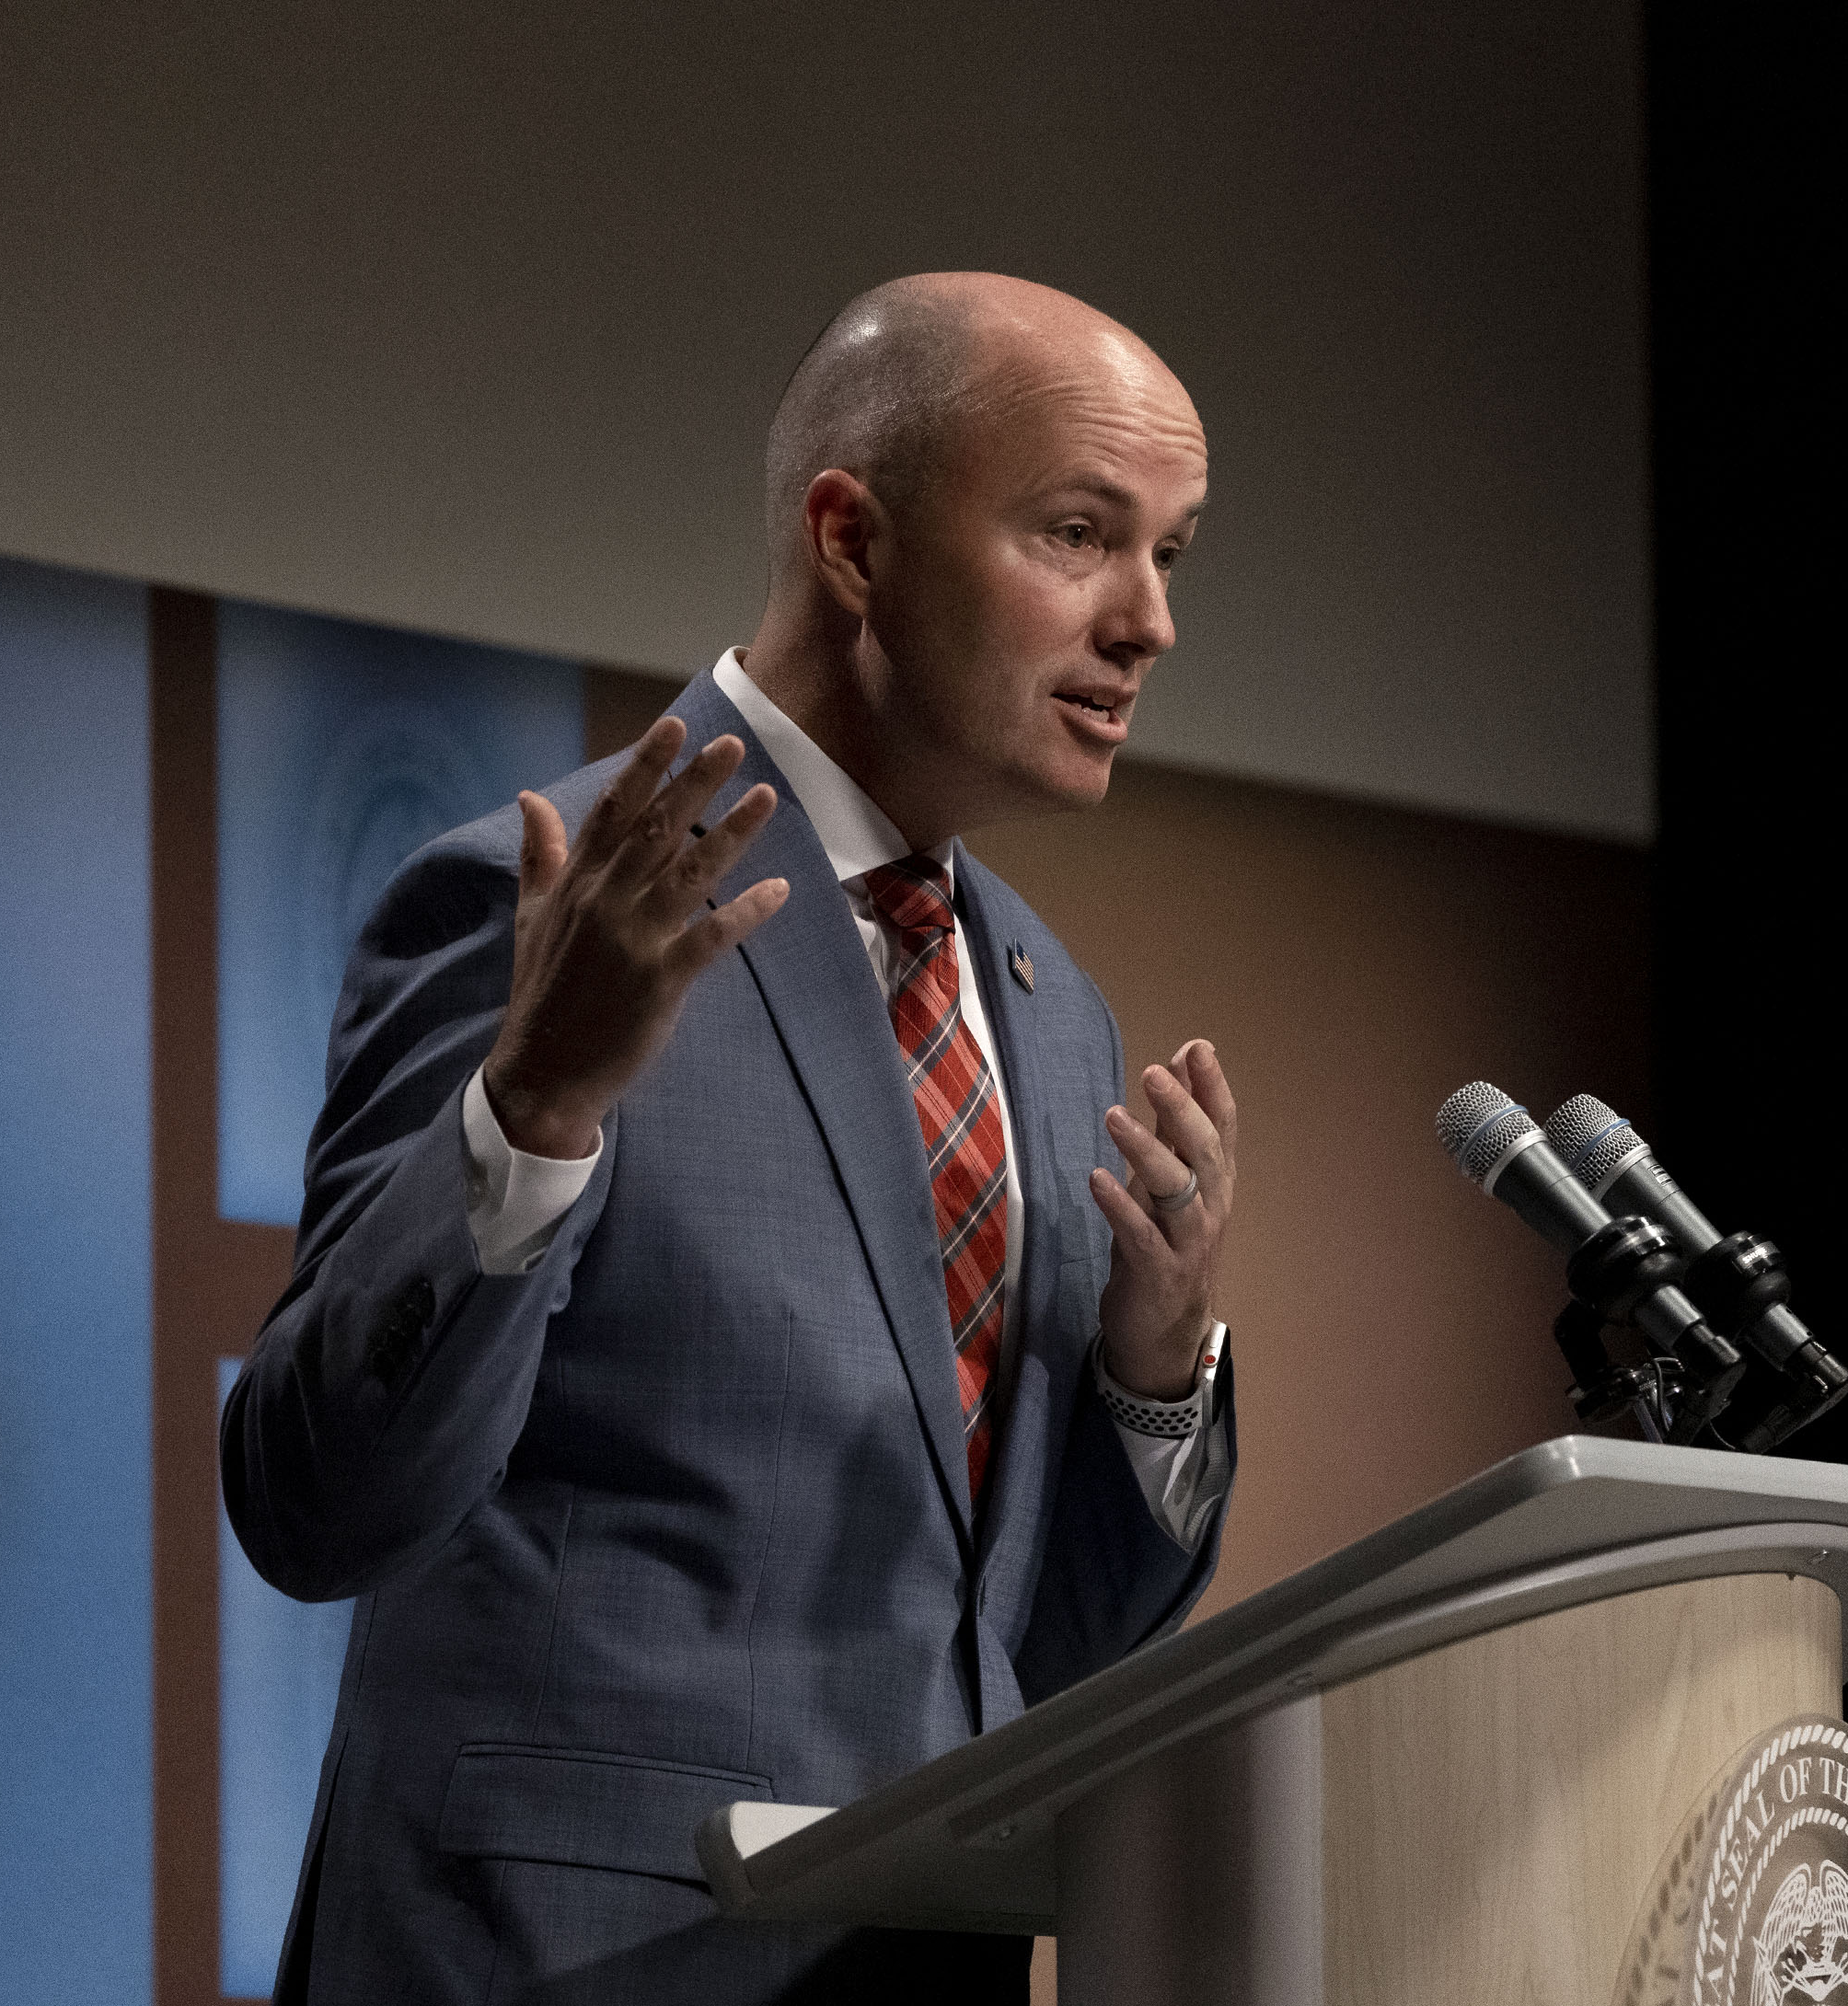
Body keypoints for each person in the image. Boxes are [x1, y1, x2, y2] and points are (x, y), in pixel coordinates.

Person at [222, 273, 1240, 2004]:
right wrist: (531, 1112)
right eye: (1083, 535)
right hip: (566, 1959)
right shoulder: (532, 906)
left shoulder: (1050, 1013)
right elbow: (317, 1503)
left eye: (1172, 555)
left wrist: (1151, 1386)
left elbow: (1020, 1660)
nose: (1148, 622)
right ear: (853, 542)